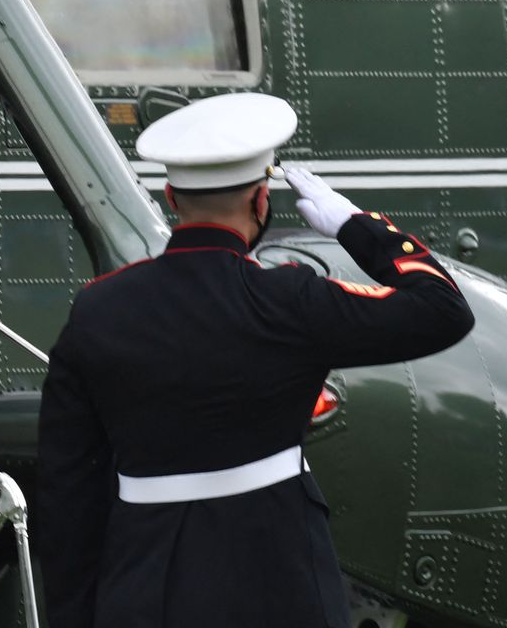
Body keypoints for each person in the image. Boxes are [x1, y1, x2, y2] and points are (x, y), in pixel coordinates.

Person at [35, 93, 475, 628]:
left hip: (146, 584)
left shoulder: (98, 310)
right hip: (281, 582)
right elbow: (443, 309)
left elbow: (67, 494)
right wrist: (354, 225)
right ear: (261, 200)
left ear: (172, 198)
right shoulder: (289, 300)